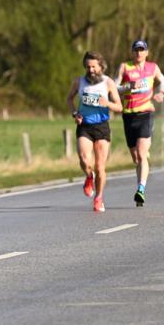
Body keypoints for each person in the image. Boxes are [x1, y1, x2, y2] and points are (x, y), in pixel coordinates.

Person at [67, 51, 123, 212]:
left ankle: (98, 198)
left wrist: (107, 103)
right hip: (84, 125)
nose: (90, 70)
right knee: (85, 160)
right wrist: (74, 114)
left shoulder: (108, 83)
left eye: (94, 67)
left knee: (100, 167)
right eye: (88, 67)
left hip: (102, 126)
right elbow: (69, 99)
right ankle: (88, 176)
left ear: (101, 66)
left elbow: (119, 107)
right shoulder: (79, 82)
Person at [115, 40, 164, 206]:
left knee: (142, 153)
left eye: (141, 50)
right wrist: (128, 86)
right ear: (132, 52)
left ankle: (141, 189)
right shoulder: (125, 67)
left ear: (147, 52)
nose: (139, 53)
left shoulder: (153, 67)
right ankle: (140, 185)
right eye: (136, 50)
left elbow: (163, 81)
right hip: (129, 115)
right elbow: (115, 87)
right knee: (136, 157)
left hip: (146, 113)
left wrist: (161, 92)